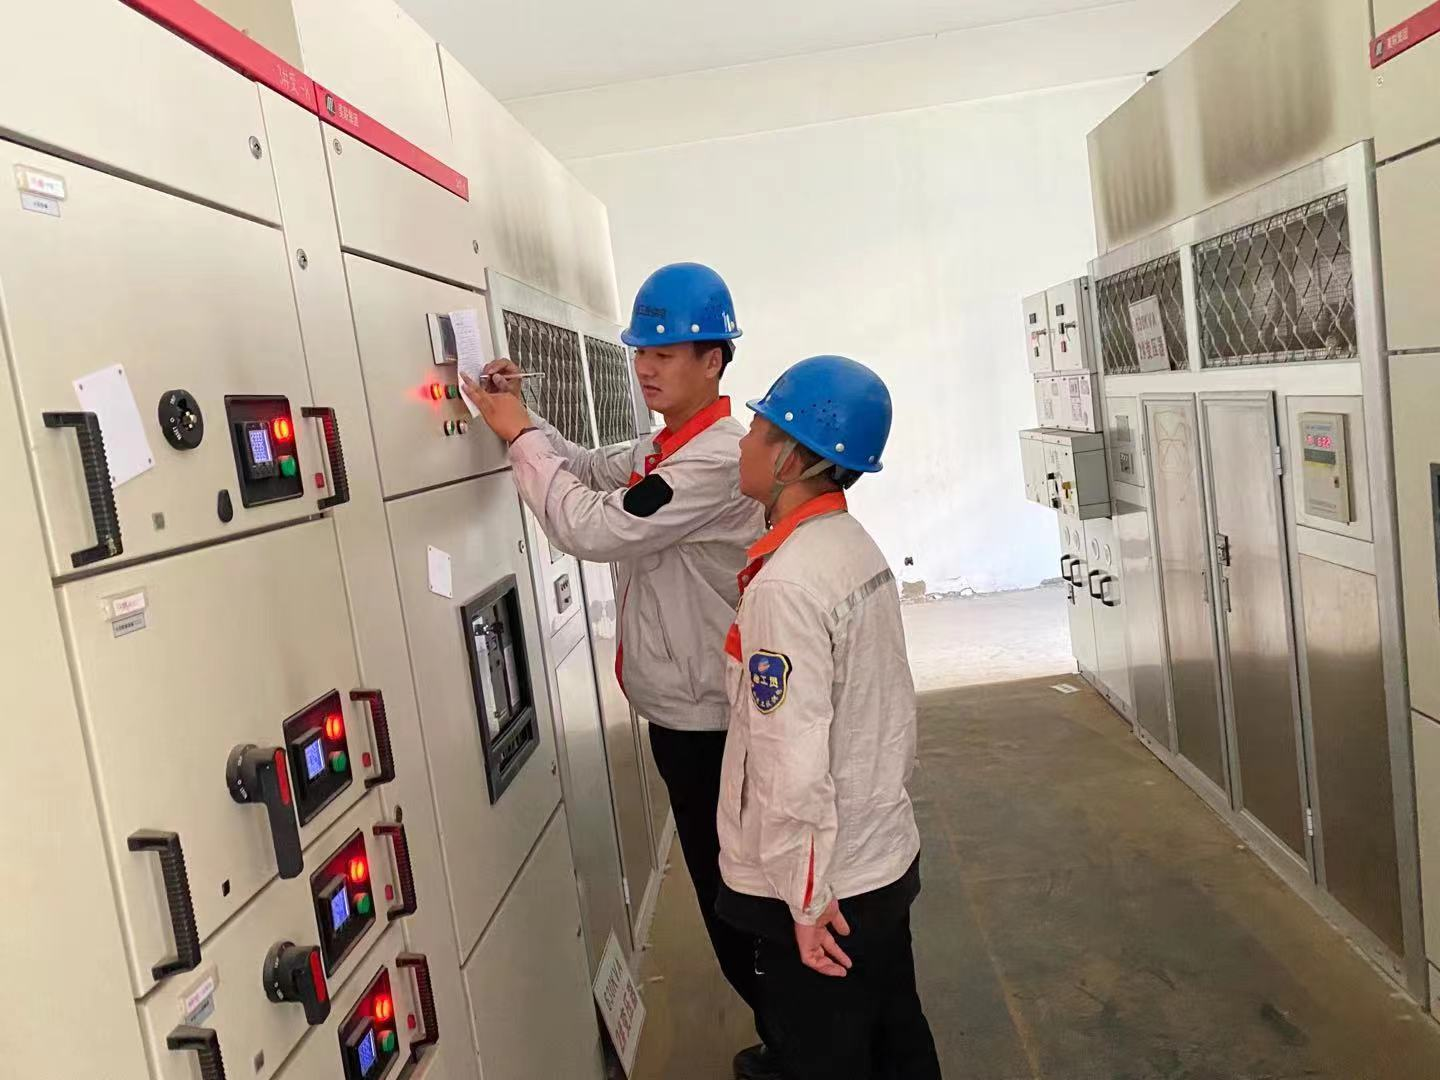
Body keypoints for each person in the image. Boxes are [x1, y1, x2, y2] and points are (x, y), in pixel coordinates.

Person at [462, 264, 781, 1080]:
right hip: (685, 712)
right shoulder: (668, 445)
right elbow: (591, 468)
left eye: (666, 353)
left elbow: (595, 529)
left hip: (712, 723)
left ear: (714, 359)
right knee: (730, 896)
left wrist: (517, 439)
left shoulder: (713, 459)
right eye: (642, 350)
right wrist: (524, 420)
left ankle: (801, 1050)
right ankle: (792, 1040)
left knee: (738, 904)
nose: (646, 367)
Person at [715, 355, 941, 1080]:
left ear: (792, 457)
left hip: (828, 890)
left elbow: (791, 759)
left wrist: (806, 902)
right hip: (877, 855)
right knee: (895, 1038)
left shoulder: (787, 585)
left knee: (825, 1053)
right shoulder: (849, 545)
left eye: (759, 428)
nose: (745, 442)